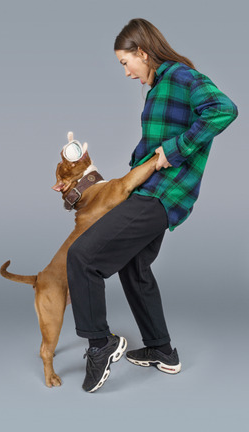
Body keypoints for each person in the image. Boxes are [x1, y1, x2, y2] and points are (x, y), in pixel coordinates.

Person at [66, 18, 238, 393]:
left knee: (82, 257)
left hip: (162, 194)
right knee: (134, 267)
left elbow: (223, 109)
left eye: (126, 63)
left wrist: (173, 152)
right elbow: (148, 151)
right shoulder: (162, 85)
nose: (126, 72)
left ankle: (101, 344)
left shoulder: (179, 76)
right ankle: (163, 351)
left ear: (142, 52)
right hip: (148, 190)